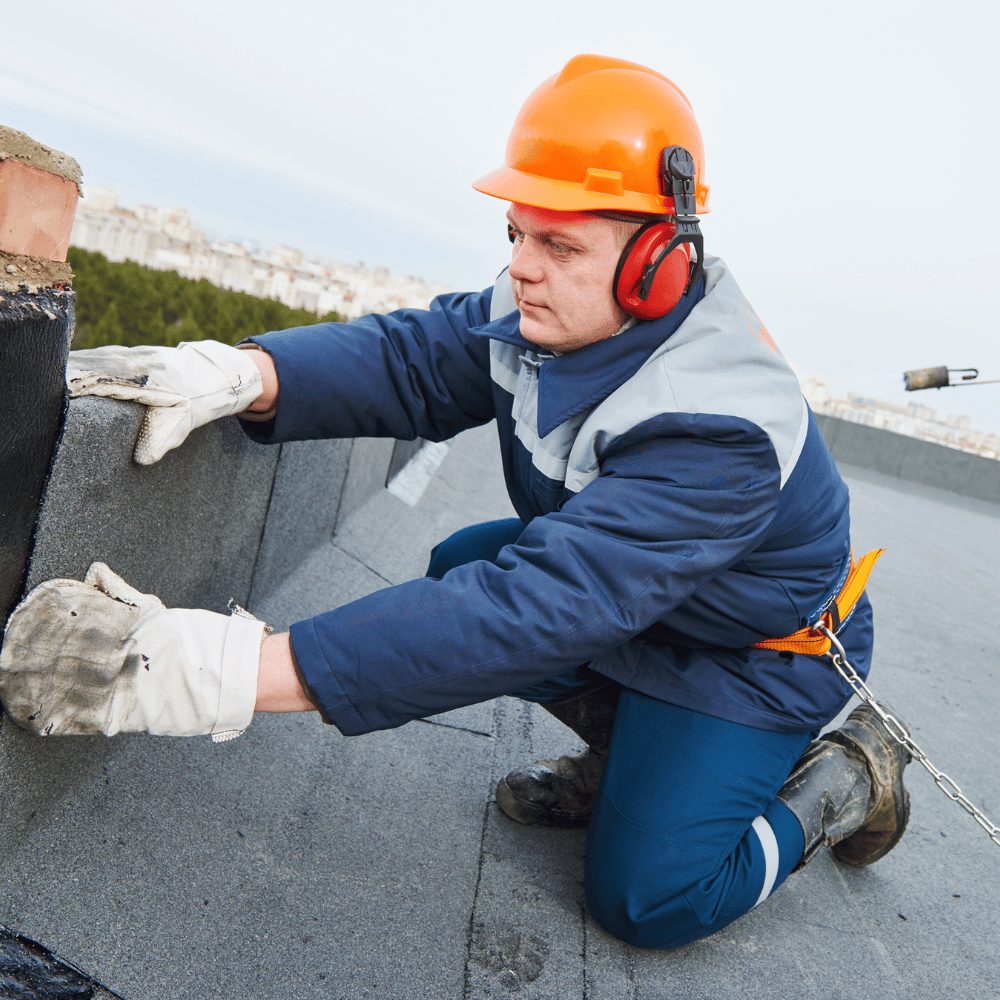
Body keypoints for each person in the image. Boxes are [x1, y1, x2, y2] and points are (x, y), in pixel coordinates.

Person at [0, 54, 911, 950]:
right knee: (461, 565)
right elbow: (416, 360)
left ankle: (833, 782)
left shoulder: (722, 428)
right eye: (516, 234)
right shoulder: (559, 311)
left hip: (750, 656)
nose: (523, 268)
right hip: (647, 608)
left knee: (649, 898)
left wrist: (217, 673)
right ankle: (634, 763)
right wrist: (243, 372)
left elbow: (538, 609)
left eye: (558, 244)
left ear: (658, 262)